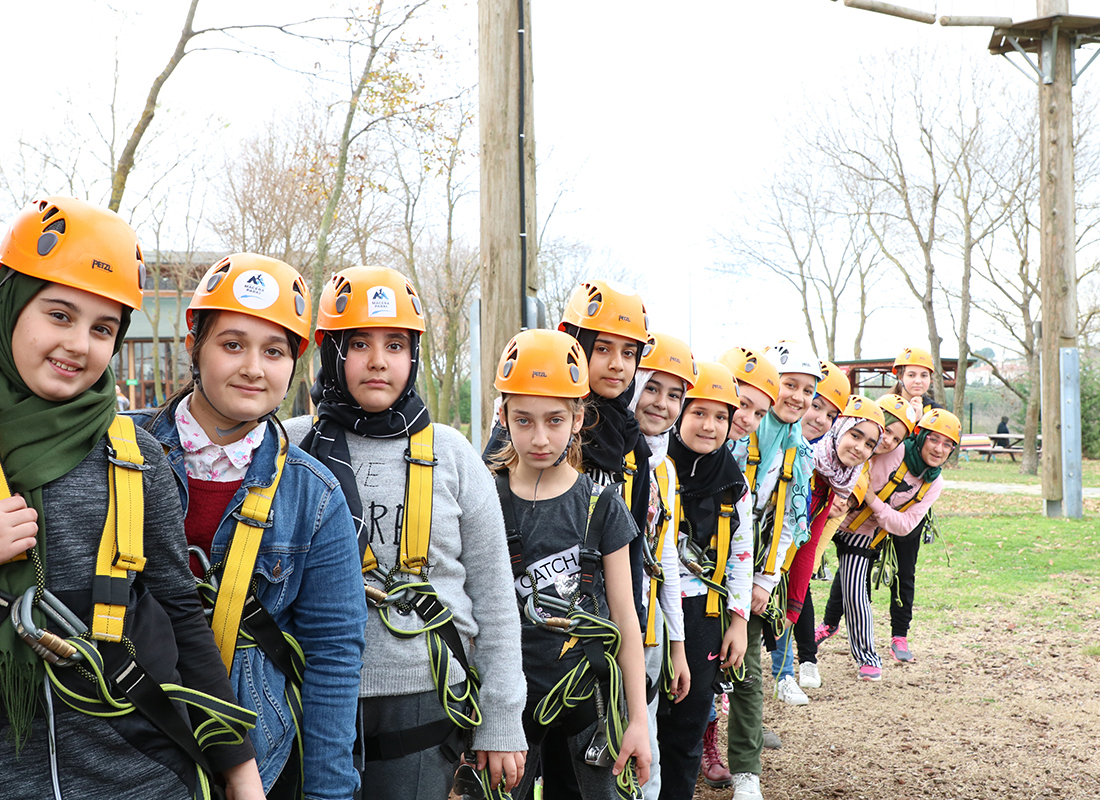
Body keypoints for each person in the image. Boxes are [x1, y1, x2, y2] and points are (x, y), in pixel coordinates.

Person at [0, 196, 264, 799]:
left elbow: (179, 612)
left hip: (144, 776)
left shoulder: (134, 456)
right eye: (59, 314)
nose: (79, 344)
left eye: (103, 328)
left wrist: (240, 772)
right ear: (10, 306)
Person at [287, 265, 527, 800]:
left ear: (414, 356)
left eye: (395, 344)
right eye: (360, 344)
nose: (378, 360)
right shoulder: (289, 446)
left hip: (425, 701)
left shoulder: (454, 456)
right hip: (308, 693)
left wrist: (503, 719)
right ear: (333, 354)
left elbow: (493, 596)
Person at [135, 253, 368, 799]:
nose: (254, 368)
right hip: (127, 743)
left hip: (259, 755)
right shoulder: (120, 451)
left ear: (295, 364)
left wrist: (329, 792)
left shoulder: (314, 495)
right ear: (195, 345)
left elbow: (334, 656)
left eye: (274, 351)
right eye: (232, 344)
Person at [488, 328, 650, 800]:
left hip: (588, 705)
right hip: (508, 709)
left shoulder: (602, 507)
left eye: (555, 420)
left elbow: (625, 619)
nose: (540, 438)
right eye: (524, 420)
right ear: (503, 416)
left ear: (579, 418)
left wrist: (638, 720)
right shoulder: (485, 499)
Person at [725, 340, 820, 800]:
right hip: (705, 564)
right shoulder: (734, 434)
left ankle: (747, 769)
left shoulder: (799, 453)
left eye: (808, 391)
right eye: (790, 385)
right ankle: (699, 746)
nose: (798, 398)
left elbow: (791, 523)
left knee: (747, 668)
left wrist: (765, 580)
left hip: (759, 570)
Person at [656, 360, 753, 800]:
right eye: (699, 412)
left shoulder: (733, 483)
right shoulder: (653, 466)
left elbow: (741, 555)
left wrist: (738, 621)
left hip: (703, 613)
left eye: (721, 416)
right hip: (650, 606)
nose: (709, 426)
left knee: (688, 722)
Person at [822, 409, 958, 680]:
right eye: (933, 439)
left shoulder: (934, 483)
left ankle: (868, 657)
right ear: (918, 436)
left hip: (864, 529)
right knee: (795, 576)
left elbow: (905, 525)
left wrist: (873, 501)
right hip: (831, 513)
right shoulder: (892, 449)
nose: (939, 449)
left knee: (855, 591)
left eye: (947, 444)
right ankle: (797, 646)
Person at [627, 331, 694, 800]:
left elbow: (665, 554)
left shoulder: (664, 469)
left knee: (645, 754)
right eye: (651, 387)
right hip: (595, 634)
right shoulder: (606, 458)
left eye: (675, 395)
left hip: (649, 633)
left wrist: (677, 643)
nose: (662, 404)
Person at [767, 359, 851, 707]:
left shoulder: (828, 477)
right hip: (748, 551)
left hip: (783, 557)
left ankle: (785, 673)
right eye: (816, 405)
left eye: (830, 414)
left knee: (788, 602)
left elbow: (809, 542)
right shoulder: (766, 442)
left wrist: (795, 599)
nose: (819, 418)